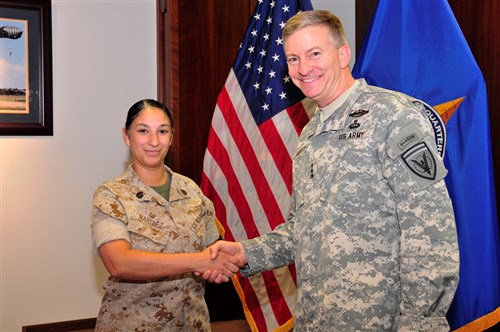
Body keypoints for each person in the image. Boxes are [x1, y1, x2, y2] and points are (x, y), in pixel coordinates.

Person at [206, 10, 460, 331]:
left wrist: (418, 326)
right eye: (294, 59)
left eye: (314, 53)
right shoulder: (310, 134)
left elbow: (430, 234)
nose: (303, 68)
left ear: (343, 55)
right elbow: (303, 230)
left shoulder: (393, 117)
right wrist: (244, 252)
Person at [90, 99, 240, 331]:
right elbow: (118, 262)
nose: (154, 141)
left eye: (162, 131)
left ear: (171, 136)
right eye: (143, 131)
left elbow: (212, 250)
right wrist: (200, 261)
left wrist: (216, 267)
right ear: (126, 136)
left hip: (193, 324)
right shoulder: (111, 195)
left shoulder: (191, 191)